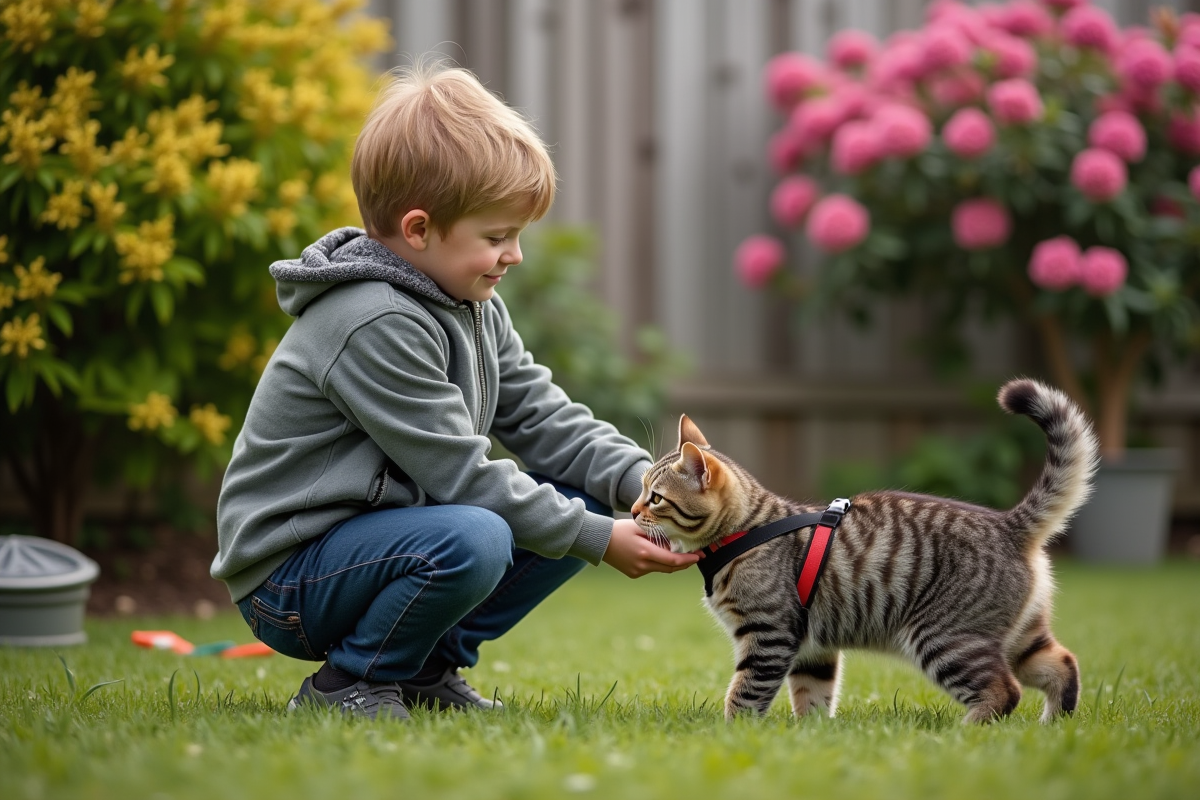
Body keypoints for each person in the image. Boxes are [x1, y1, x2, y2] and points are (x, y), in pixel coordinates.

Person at [210, 62, 699, 720]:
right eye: (497, 237)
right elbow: (461, 476)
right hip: (294, 578)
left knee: (577, 497)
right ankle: (350, 682)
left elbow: (545, 418)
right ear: (418, 230)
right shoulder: (372, 319)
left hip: (384, 545)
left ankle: (424, 671)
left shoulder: (469, 304)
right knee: (476, 535)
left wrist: (652, 486)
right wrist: (597, 538)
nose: (515, 255)